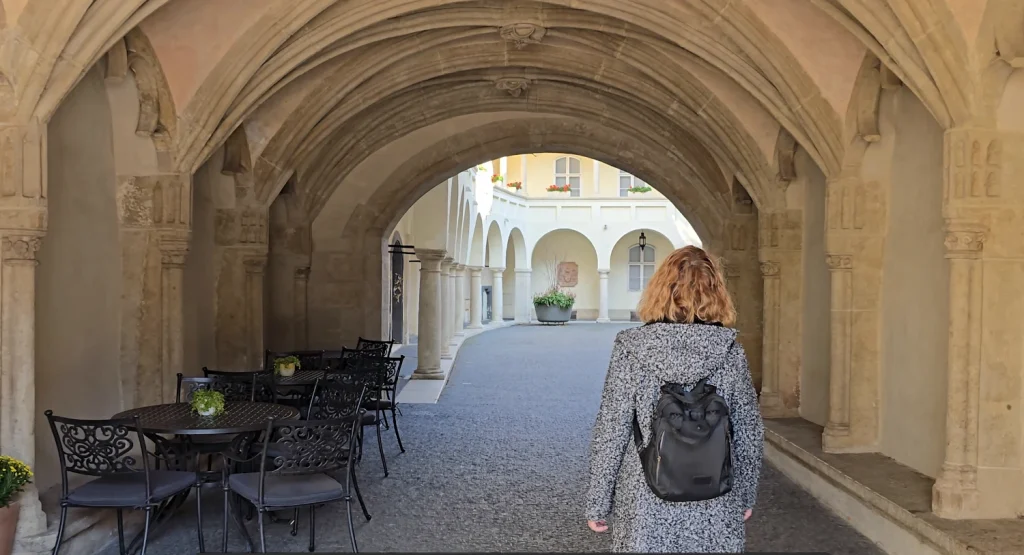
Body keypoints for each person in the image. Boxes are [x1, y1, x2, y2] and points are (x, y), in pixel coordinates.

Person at [584, 245, 764, 553]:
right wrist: (745, 494)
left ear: (660, 290)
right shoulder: (730, 351)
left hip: (645, 495)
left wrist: (598, 502)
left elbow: (611, 429)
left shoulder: (631, 348)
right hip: (715, 494)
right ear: (716, 292)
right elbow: (749, 430)